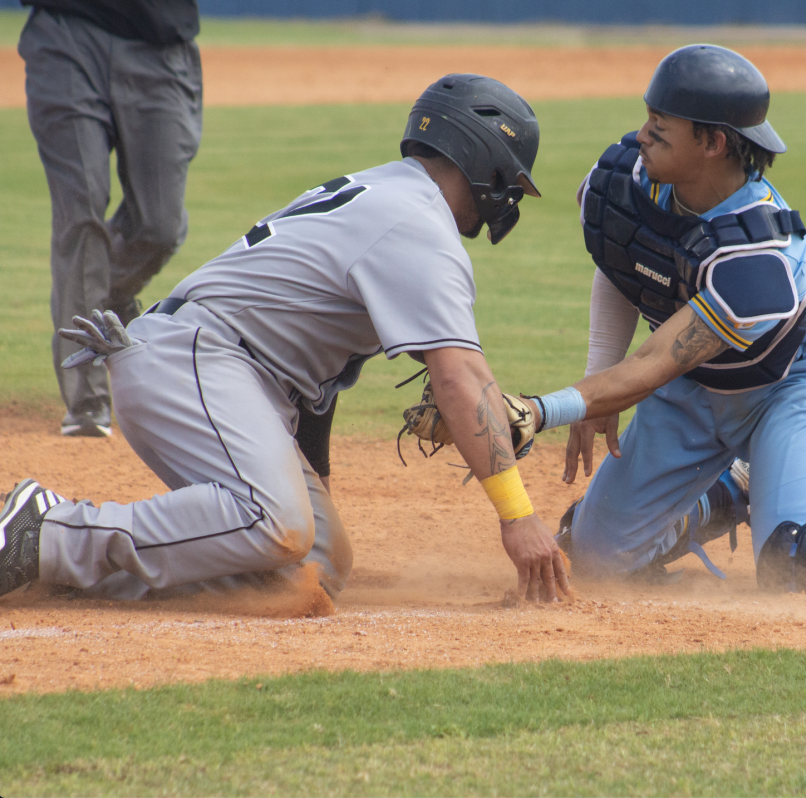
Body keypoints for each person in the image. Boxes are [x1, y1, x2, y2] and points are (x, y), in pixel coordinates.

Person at [0, 75, 572, 605]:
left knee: (308, 570)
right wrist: (517, 517)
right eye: (509, 183)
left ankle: (71, 571)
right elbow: (459, 377)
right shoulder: (419, 227)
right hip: (198, 360)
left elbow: (320, 383)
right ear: (486, 164)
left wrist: (312, 482)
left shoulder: (390, 195)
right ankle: (47, 529)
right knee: (275, 522)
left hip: (223, 373)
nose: (508, 199)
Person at [516, 45, 806, 597]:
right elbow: (623, 264)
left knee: (803, 567)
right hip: (690, 392)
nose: (641, 136)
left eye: (660, 129)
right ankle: (737, 486)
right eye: (647, 119)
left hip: (785, 392)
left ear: (713, 143)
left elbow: (650, 363)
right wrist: (600, 383)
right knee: (594, 557)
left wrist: (542, 409)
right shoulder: (625, 181)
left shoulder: (759, 256)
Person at [18, 0, 204, 438]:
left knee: (159, 226)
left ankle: (98, 301)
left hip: (160, 42)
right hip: (66, 34)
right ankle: (87, 403)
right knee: (80, 213)